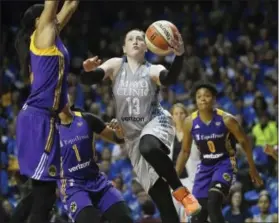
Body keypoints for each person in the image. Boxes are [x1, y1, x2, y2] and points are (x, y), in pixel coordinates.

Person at [80, 29, 201, 222]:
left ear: (147, 46)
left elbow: (169, 79)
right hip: (132, 136)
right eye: (131, 39)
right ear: (124, 48)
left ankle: (180, 190)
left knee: (148, 146)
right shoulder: (116, 65)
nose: (136, 41)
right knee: (163, 202)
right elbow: (89, 79)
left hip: (156, 121)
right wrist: (86, 71)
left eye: (140, 39)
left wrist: (179, 55)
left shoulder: (152, 69)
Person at [12, 1, 78, 223]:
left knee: (39, 191)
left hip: (41, 119)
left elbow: (70, 5)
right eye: (49, 14)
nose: (55, 16)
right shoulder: (41, 36)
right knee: (46, 193)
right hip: (38, 119)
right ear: (38, 22)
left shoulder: (51, 36)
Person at [176, 81, 263, 223]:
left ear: (214, 99)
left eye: (207, 95)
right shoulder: (189, 122)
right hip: (205, 166)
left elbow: (245, 142)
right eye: (199, 96)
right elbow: (185, 151)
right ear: (196, 101)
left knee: (213, 202)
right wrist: (173, 177)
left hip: (225, 163)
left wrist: (252, 168)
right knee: (197, 214)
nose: (203, 99)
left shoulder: (227, 120)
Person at [57, 100, 133, 223]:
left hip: (97, 180)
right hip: (73, 186)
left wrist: (120, 133)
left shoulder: (86, 118)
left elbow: (117, 138)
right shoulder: (50, 129)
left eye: (64, 92)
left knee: (124, 218)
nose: (63, 96)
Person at [169, 103, 201, 222]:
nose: (179, 116)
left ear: (186, 115)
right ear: (172, 117)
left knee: (191, 212)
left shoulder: (193, 133)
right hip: (173, 181)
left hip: (191, 178)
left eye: (182, 113)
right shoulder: (167, 136)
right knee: (175, 214)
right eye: (176, 114)